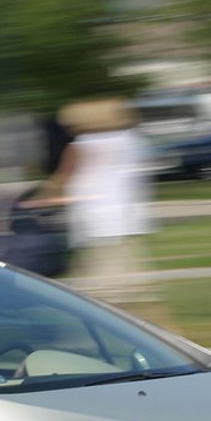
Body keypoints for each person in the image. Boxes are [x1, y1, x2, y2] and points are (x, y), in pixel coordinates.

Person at [29, 97, 155, 305]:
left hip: (92, 213)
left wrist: (41, 196)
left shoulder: (82, 145)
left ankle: (107, 311)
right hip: (125, 214)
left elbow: (64, 176)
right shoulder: (131, 139)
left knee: (97, 274)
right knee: (122, 268)